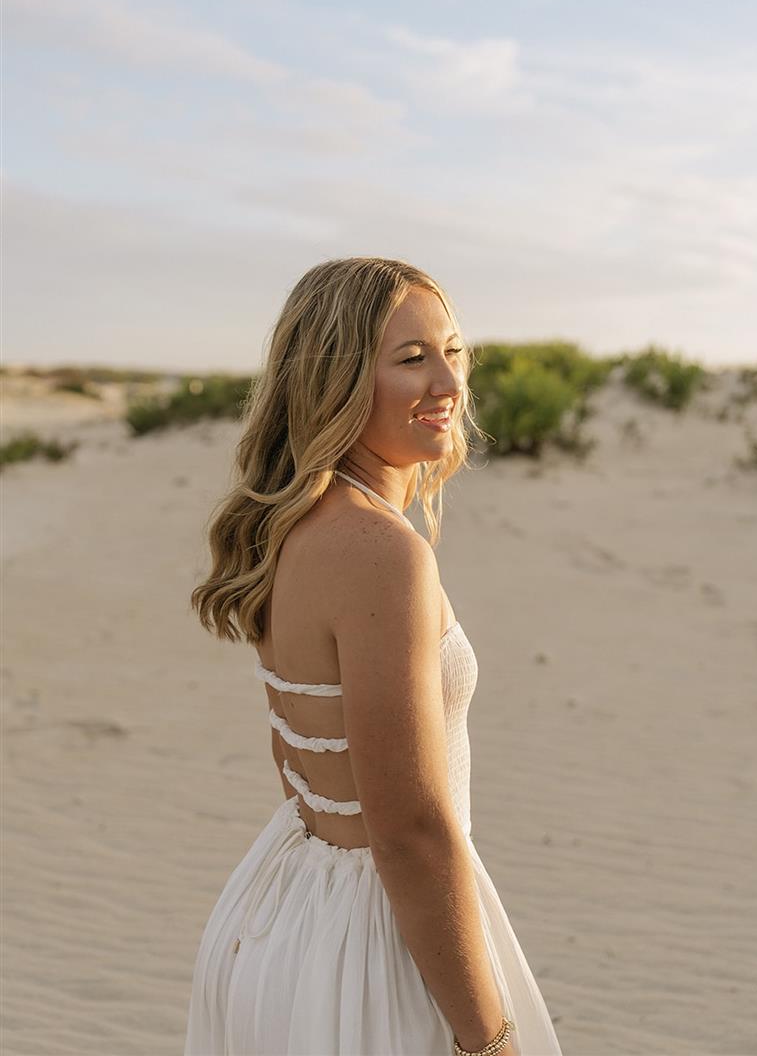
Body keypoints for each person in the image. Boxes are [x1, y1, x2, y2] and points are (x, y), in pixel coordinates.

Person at [184, 257, 563, 1055]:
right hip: (375, 944)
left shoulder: (289, 527)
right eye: (412, 358)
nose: (449, 383)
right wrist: (488, 1041)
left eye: (453, 351)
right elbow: (411, 832)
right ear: (337, 381)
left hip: (288, 906)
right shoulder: (381, 553)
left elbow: (301, 759)